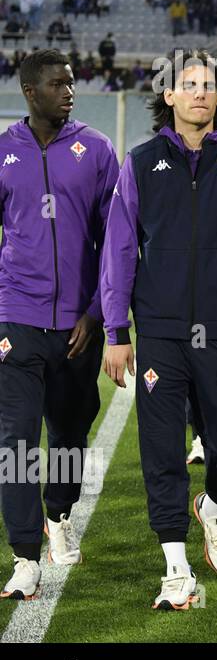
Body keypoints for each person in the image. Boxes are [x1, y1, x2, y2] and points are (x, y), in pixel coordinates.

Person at [99, 50, 217, 609]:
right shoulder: (140, 162)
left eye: (211, 86)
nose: (201, 93)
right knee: (161, 449)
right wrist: (115, 330)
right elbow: (120, 249)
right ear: (171, 97)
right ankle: (175, 567)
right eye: (190, 85)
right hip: (160, 331)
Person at [0, 51, 118, 600]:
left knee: (68, 435)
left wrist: (97, 313)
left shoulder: (95, 149)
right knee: (16, 441)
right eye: (56, 84)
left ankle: (59, 514)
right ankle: (24, 554)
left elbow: (116, 240)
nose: (68, 91)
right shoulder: (3, 151)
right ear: (30, 91)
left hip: (78, 325)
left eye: (70, 83)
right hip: (16, 321)